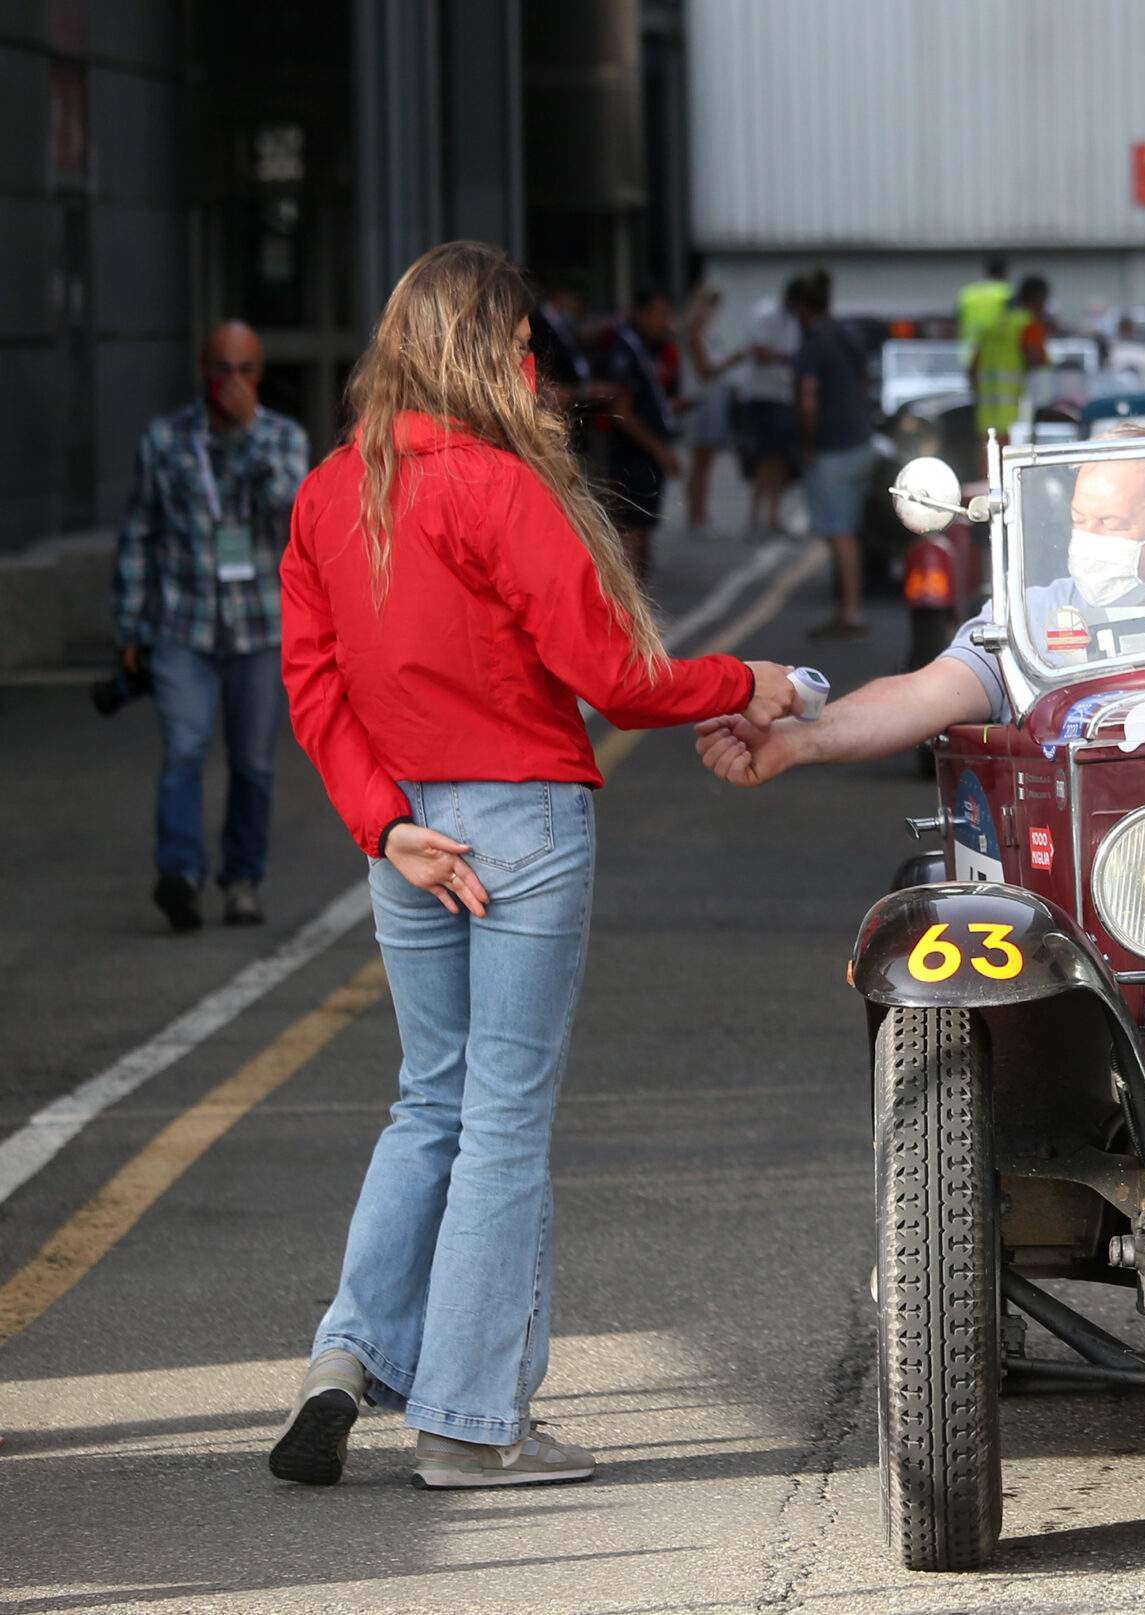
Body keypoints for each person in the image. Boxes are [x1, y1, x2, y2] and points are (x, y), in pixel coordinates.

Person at [269, 240, 802, 1491]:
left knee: (428, 1101)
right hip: (520, 827)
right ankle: (466, 1421)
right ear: (489, 351)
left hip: (407, 835)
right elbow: (613, 677)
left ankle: (345, 1356)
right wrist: (754, 680)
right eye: (521, 344)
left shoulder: (332, 490)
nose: (533, 366)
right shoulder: (504, 490)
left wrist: (383, 824)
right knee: (503, 1121)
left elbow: (313, 681)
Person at [694, 424, 1145, 782]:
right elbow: (921, 695)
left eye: (1110, 523)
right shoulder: (1030, 624)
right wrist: (800, 738)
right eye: (1079, 521)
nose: (1088, 542)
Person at [112, 319, 312, 931]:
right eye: (222, 369)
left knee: (253, 762)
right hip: (183, 623)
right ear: (203, 369)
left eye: (245, 370)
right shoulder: (166, 439)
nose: (232, 381)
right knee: (185, 748)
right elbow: (139, 533)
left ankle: (243, 880)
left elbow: (293, 521)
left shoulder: (281, 437)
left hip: (257, 627)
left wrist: (248, 435)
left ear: (259, 374)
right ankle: (180, 875)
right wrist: (129, 628)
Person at [790, 271, 877, 637]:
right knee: (848, 530)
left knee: (840, 534)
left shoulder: (812, 344)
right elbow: (865, 382)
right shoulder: (848, 335)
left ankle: (851, 611)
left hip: (832, 448)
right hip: (860, 441)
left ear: (801, 309)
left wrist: (807, 444)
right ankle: (848, 607)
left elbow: (808, 400)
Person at [597, 283, 683, 585]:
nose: (666, 322)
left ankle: (637, 591)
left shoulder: (653, 348)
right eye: (660, 314)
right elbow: (622, 411)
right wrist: (658, 448)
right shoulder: (625, 349)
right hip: (631, 452)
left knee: (644, 525)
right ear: (642, 314)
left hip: (648, 452)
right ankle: (629, 596)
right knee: (631, 526)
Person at [735, 277, 806, 535]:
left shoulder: (794, 320)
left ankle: (771, 516)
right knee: (764, 457)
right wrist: (787, 358)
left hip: (782, 396)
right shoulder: (765, 314)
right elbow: (759, 351)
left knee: (779, 459)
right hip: (763, 396)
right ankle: (756, 516)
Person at [679, 282, 741, 531]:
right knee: (700, 461)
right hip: (701, 400)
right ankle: (695, 514)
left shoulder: (708, 331)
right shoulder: (695, 332)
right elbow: (705, 370)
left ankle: (700, 512)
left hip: (711, 398)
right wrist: (733, 361)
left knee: (706, 461)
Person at [971, 274, 1051, 450]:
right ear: (1038, 299)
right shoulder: (1028, 325)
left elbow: (972, 369)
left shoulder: (991, 327)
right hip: (1018, 419)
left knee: (989, 471)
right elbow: (1036, 359)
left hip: (987, 418)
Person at [956, 255, 1012, 361]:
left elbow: (957, 321)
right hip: (997, 353)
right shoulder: (1007, 293)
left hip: (969, 351)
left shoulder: (967, 293)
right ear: (1004, 273)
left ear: (985, 272)